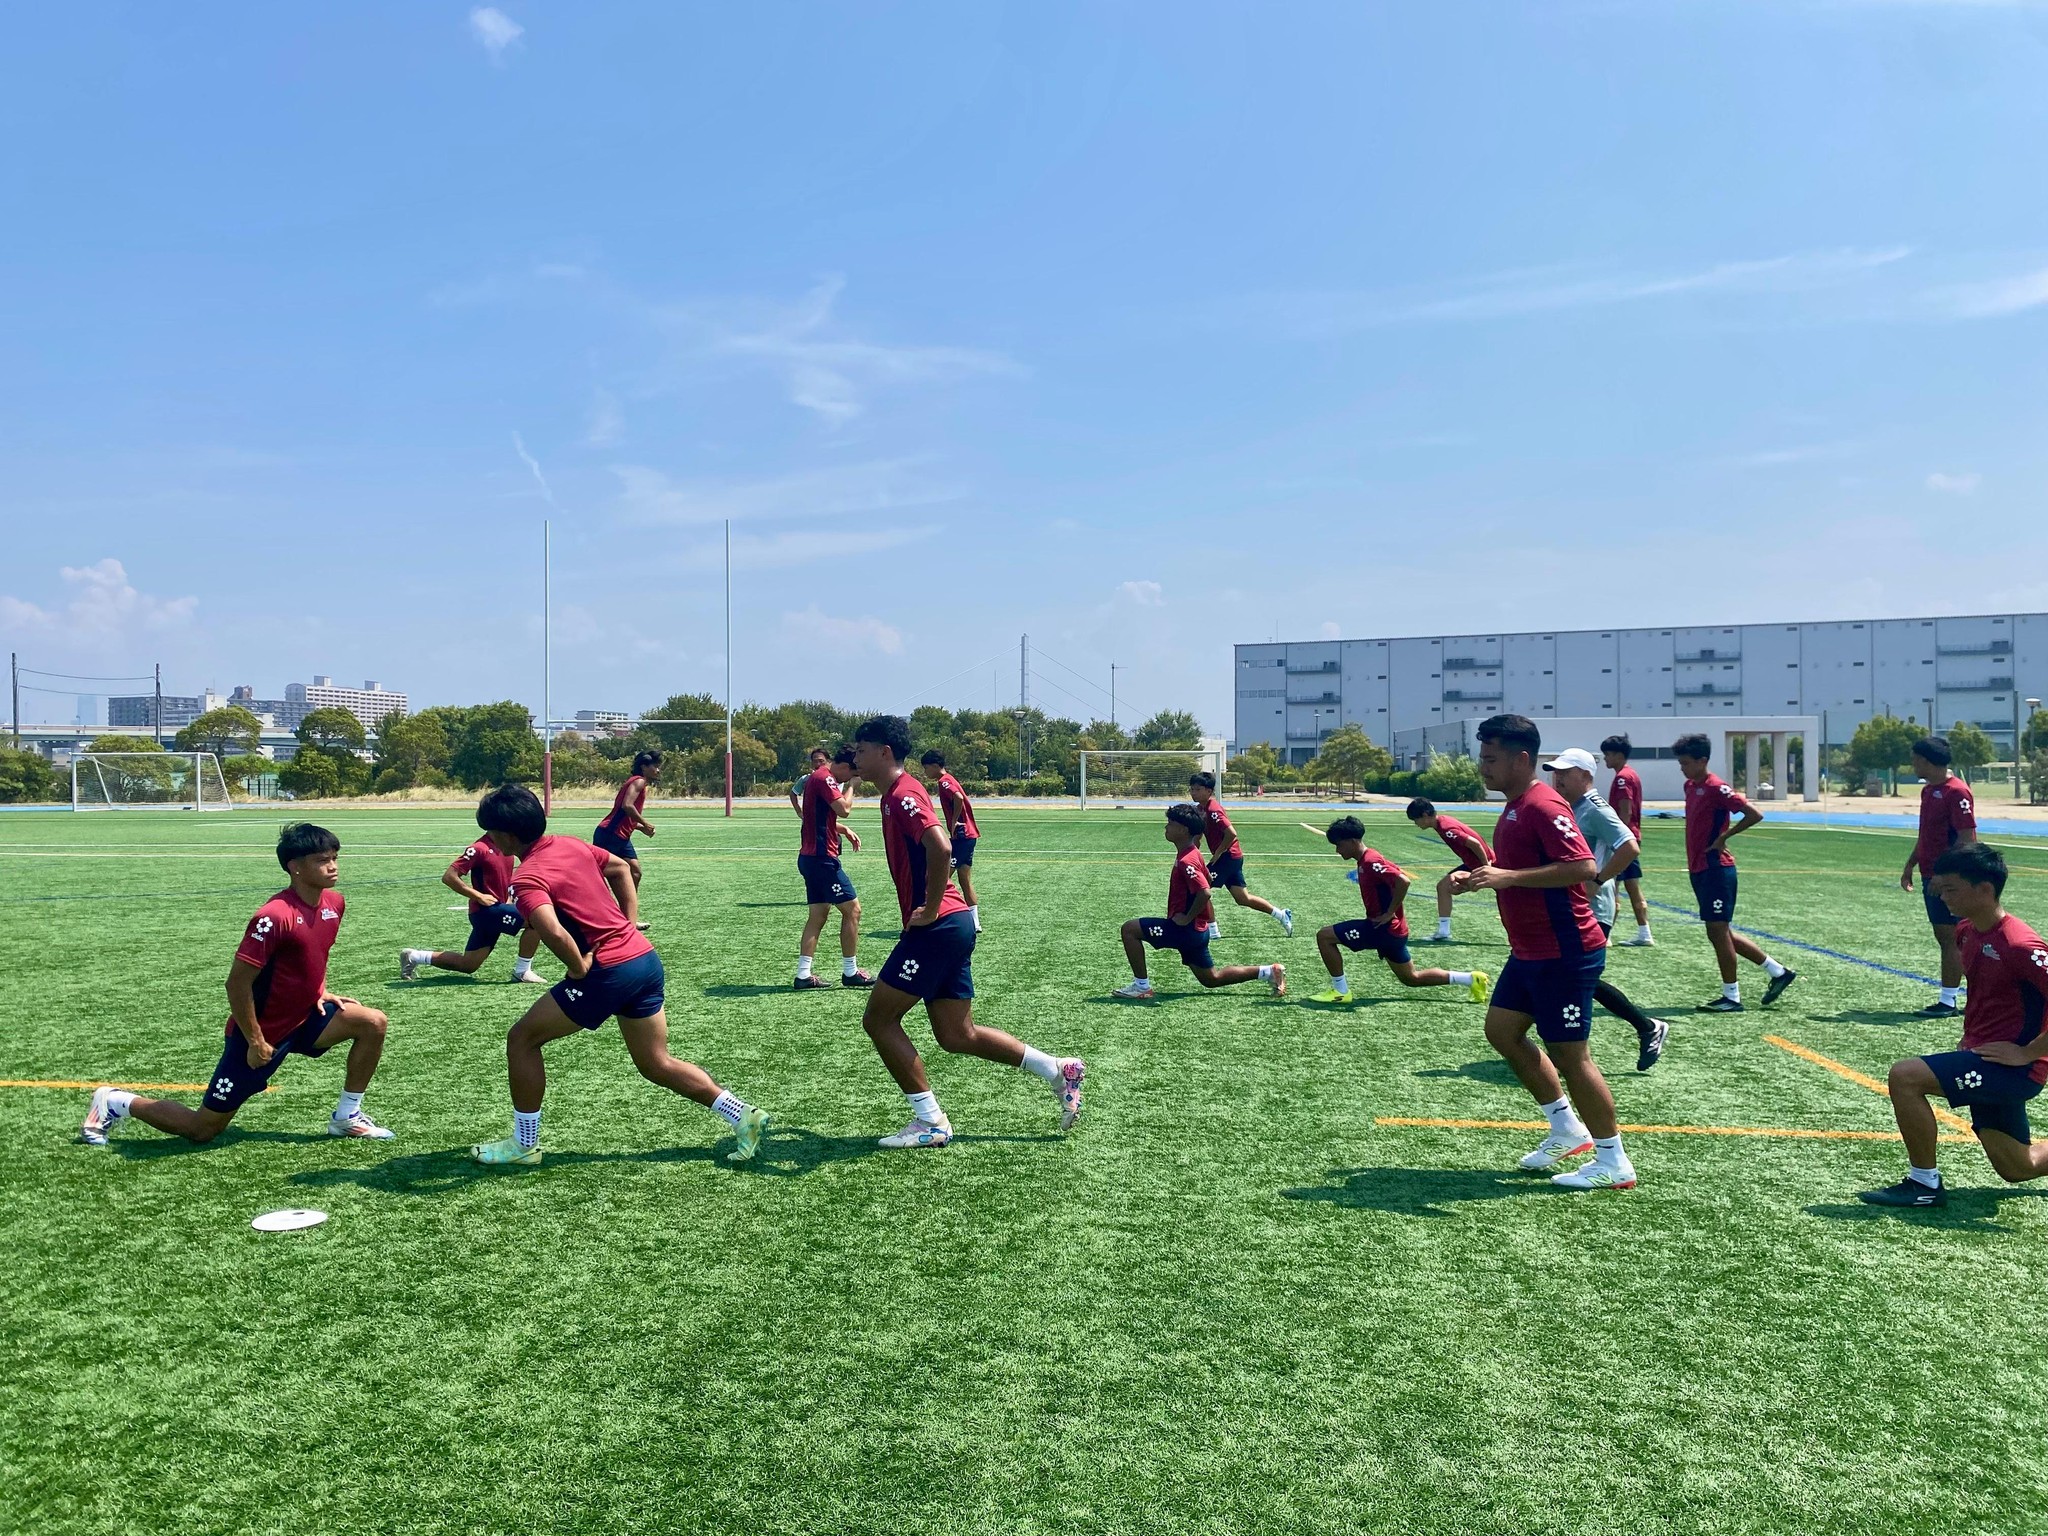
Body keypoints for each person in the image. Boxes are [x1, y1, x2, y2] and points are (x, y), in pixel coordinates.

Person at [467, 783, 767, 1166]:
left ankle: (524, 1146)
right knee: (655, 1063)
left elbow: (552, 931)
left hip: (608, 972)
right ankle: (742, 1115)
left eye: (490, 832)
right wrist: (626, 926)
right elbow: (621, 868)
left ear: (507, 835)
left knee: (522, 1039)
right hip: (643, 960)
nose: (488, 840)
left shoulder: (527, 877)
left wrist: (577, 969)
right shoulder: (571, 844)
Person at [849, 715, 1082, 1149]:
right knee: (957, 1035)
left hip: (938, 926)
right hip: (951, 926)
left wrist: (932, 906)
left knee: (879, 1019)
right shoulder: (892, 795)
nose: (855, 757)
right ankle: (1057, 1069)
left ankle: (931, 1122)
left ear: (884, 752)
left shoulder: (902, 794)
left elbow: (941, 846)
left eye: (861, 749)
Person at [81, 823, 394, 1146]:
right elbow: (237, 984)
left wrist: (320, 989)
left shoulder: (334, 904)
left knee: (372, 1022)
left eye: (334, 857)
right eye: (321, 860)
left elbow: (315, 953)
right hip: (263, 1033)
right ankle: (115, 1101)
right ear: (295, 867)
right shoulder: (273, 916)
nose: (332, 866)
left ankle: (346, 1116)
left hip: (305, 1019)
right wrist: (255, 1041)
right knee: (202, 1129)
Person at [1450, 715, 1634, 1191]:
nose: (1483, 767)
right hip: (1531, 949)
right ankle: (1565, 1128)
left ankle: (1613, 1160)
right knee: (1503, 1032)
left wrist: (1506, 877)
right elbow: (1521, 866)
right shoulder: (1515, 806)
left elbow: (1581, 866)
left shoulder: (1542, 803)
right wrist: (1481, 876)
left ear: (1521, 758)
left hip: (1564, 948)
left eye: (1491, 759)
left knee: (1571, 1055)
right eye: (1482, 757)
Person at [1861, 844, 2048, 1208]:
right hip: (1983, 1058)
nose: (1942, 896)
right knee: (2018, 1166)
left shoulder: (2022, 945)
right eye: (1940, 889)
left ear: (1985, 890)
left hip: (2012, 1069)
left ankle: (1924, 1185)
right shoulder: (1966, 931)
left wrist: (2028, 1053)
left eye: (1951, 889)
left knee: (1906, 1076)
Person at [1545, 748, 1672, 1072]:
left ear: (1586, 776)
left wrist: (1598, 881)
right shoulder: (1571, 807)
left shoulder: (1595, 808)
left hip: (1592, 910)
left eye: (1565, 772)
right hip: (1574, 906)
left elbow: (1629, 846)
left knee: (1575, 977)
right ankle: (1642, 1028)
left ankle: (1645, 1027)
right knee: (1567, 977)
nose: (1557, 777)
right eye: (1555, 771)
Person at [1115, 804, 1289, 1000]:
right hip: (1197, 931)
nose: (1166, 827)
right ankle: (1269, 971)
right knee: (1211, 979)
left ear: (1184, 830)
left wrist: (1187, 917)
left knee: (1130, 929)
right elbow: (1207, 880)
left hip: (1184, 931)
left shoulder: (1186, 861)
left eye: (1170, 823)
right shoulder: (1192, 853)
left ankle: (1141, 987)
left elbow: (1205, 892)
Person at [1676, 733, 1798, 1013]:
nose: (1682, 768)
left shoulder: (1717, 787)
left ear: (1702, 761)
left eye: (1686, 762)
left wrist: (1724, 837)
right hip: (1700, 869)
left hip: (1717, 869)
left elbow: (1754, 814)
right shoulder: (1690, 786)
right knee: (1721, 932)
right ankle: (1778, 972)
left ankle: (1732, 997)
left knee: (1717, 931)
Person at [1306, 816, 1484, 1005]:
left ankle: (1340, 992)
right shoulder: (1368, 858)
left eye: (1339, 845)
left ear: (1352, 841)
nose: (1337, 850)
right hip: (1394, 931)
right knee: (1411, 978)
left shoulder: (1370, 861)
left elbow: (1403, 880)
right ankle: (1471, 979)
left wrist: (1390, 912)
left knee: (1325, 936)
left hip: (1383, 929)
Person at [398, 835, 549, 985]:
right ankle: (522, 971)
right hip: (486, 912)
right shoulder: (478, 849)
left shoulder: (505, 845)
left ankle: (414, 956)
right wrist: (478, 896)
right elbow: (449, 876)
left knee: (468, 965)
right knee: (536, 920)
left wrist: (509, 897)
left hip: (497, 909)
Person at [1901, 735, 1978, 1017]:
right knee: (1946, 936)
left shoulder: (1956, 792)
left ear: (1925, 760)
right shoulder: (1928, 791)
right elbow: (1927, 836)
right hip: (1931, 874)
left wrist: (1945, 875)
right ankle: (1952, 999)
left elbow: (1967, 838)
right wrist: (1911, 864)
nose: (1912, 763)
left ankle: (1950, 1002)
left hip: (1950, 877)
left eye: (1914, 758)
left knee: (1956, 937)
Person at [795, 745, 873, 990]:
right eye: (852, 772)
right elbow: (844, 809)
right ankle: (851, 972)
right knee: (853, 910)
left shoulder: (817, 779)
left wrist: (842, 830)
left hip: (810, 858)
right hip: (822, 860)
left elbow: (817, 818)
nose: (850, 778)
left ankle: (803, 975)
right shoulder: (825, 778)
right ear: (843, 766)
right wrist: (851, 787)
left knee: (817, 916)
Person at [1188, 771, 1293, 937]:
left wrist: (1218, 853)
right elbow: (1199, 835)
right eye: (1192, 789)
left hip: (1228, 857)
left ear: (1209, 791)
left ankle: (1213, 930)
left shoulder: (1214, 809)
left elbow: (1231, 833)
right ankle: (1281, 915)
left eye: (1197, 789)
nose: (1193, 793)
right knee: (1242, 898)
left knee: (1201, 888)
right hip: (1232, 858)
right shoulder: (1201, 809)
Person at [1405, 798, 1493, 943]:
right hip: (1473, 864)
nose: (1416, 824)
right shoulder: (1442, 822)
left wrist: (1486, 867)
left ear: (1426, 815)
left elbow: (1475, 843)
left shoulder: (1446, 828)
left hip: (1483, 864)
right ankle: (1443, 931)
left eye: (1416, 819)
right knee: (1444, 887)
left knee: (1509, 897)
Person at [920, 749, 983, 932]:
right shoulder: (949, 779)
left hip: (962, 836)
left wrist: (954, 820)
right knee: (964, 879)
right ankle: (974, 922)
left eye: (926, 769)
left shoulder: (945, 782)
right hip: (968, 837)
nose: (925, 773)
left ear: (934, 766)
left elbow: (958, 797)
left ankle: (934, 916)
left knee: (938, 878)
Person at [1600, 734, 1654, 945]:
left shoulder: (1623, 778)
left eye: (1608, 755)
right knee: (1629, 886)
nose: (1605, 759)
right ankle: (1643, 932)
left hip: (1623, 840)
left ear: (1618, 755)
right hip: (1630, 838)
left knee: (1612, 885)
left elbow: (1625, 811)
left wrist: (1615, 838)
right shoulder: (1630, 775)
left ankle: (1606, 935)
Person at [594, 749, 659, 895]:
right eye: (654, 766)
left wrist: (640, 827)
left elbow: (624, 814)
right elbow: (627, 805)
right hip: (610, 834)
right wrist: (646, 823)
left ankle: (627, 915)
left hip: (620, 836)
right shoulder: (639, 781)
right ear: (644, 767)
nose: (657, 770)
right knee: (597, 875)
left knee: (635, 873)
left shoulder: (637, 782)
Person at [788, 746, 830, 816]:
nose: (818, 764)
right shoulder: (805, 779)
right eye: (815, 761)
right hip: (809, 819)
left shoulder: (832, 780)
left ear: (828, 761)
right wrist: (799, 812)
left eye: (821, 761)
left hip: (827, 818)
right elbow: (793, 794)